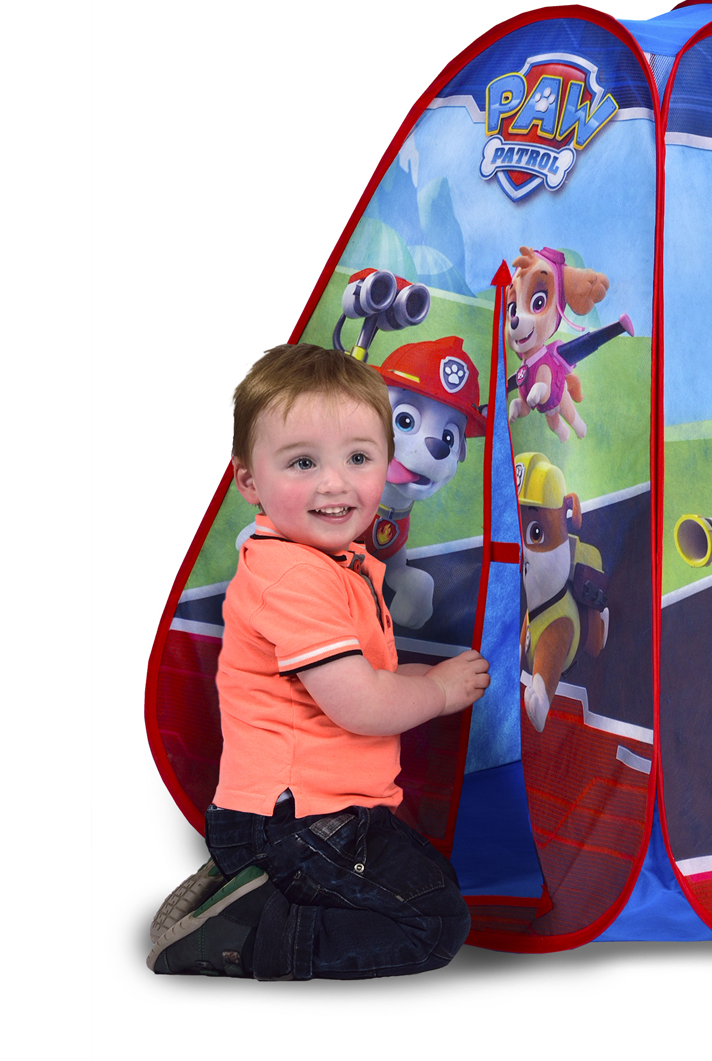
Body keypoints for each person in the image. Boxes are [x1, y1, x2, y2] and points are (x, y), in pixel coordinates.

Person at [148, 343, 489, 980]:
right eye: (303, 462)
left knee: (433, 877)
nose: (335, 483)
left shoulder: (333, 563)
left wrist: (412, 679)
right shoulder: (293, 579)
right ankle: (246, 934)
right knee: (435, 922)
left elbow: (350, 676)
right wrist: (438, 691)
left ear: (386, 463)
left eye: (358, 458)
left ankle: (253, 886)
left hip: (313, 815)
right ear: (249, 481)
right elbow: (359, 704)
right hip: (297, 821)